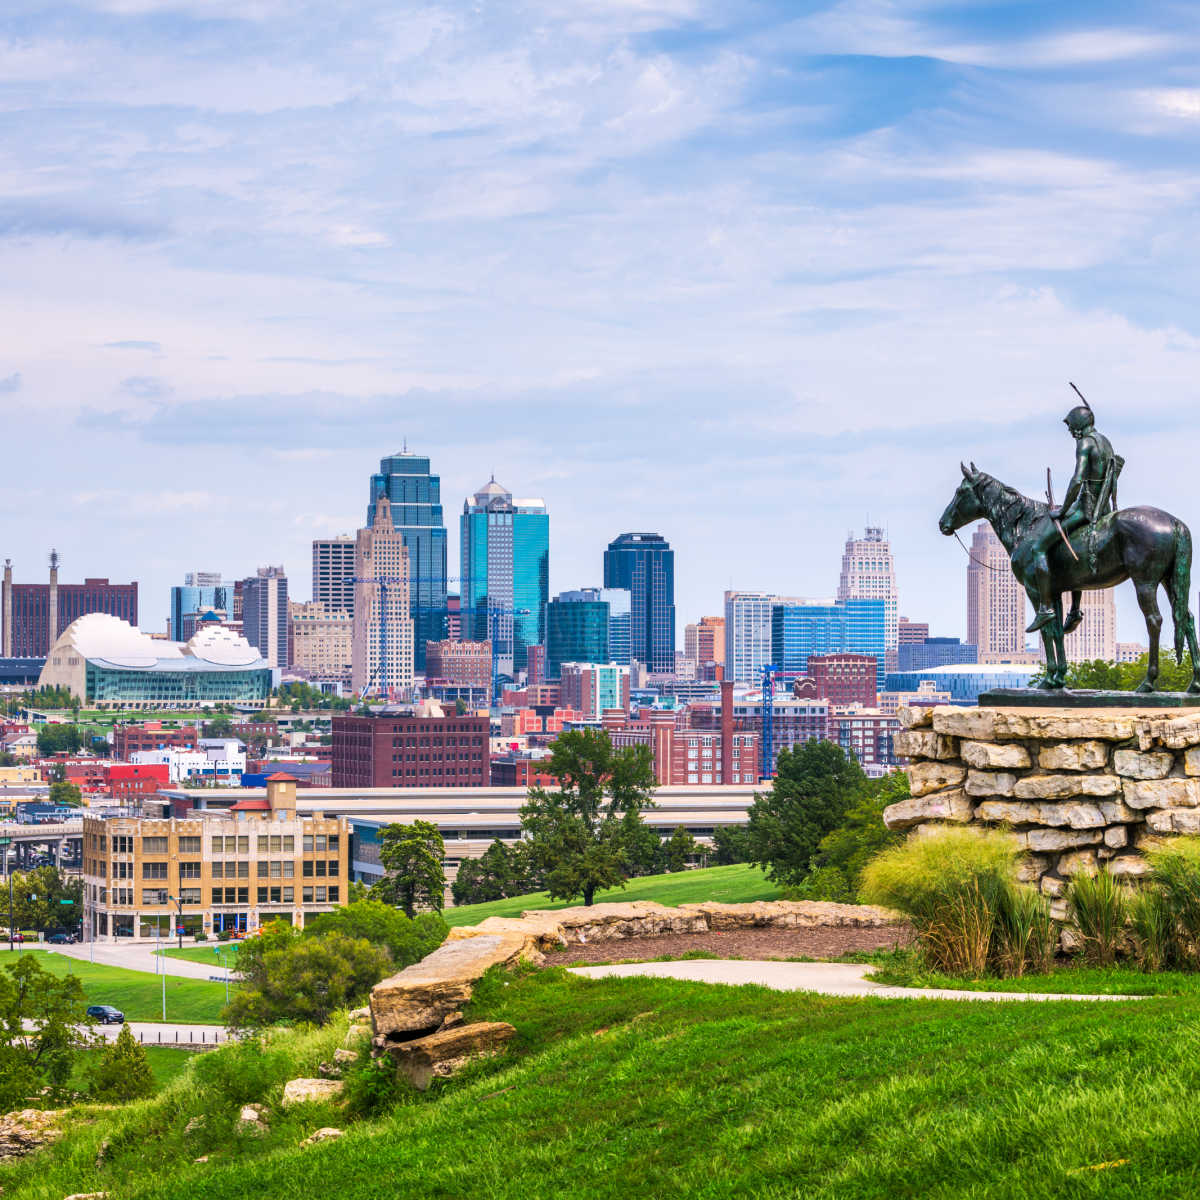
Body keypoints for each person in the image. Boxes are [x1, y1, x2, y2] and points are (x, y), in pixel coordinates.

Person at [1026, 400, 1121, 634]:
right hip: (1104, 506)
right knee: (1071, 549)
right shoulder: (1104, 441)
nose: (1070, 432)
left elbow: (1078, 479)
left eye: (1071, 427)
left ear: (1078, 424)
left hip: (1086, 508)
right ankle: (1075, 609)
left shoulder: (1085, 444)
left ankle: (1046, 607)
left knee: (1039, 547)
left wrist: (1063, 509)